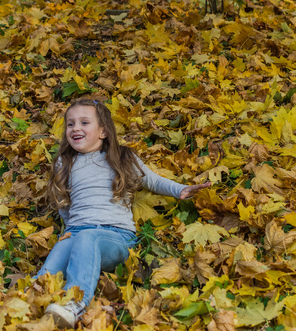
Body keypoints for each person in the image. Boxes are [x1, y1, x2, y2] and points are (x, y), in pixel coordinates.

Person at [37, 98, 211, 328]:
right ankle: (27, 300)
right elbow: (64, 202)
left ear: (103, 131)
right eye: (70, 124)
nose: (75, 128)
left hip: (115, 237)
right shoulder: (64, 162)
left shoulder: (122, 157)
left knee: (89, 237)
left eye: (84, 122)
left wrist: (180, 189)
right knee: (52, 265)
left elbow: (152, 180)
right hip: (77, 232)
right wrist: (69, 229)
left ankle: (74, 303)